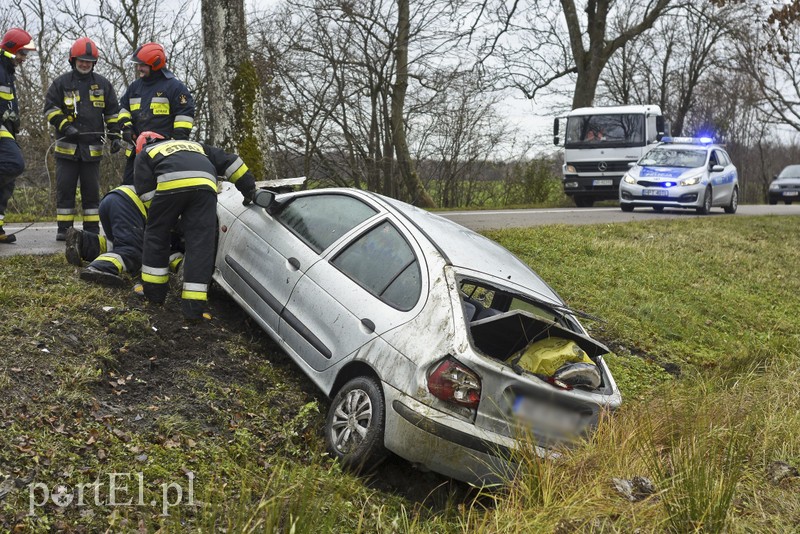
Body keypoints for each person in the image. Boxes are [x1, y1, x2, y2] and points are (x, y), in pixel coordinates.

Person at [134, 132, 256, 321]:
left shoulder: (146, 152)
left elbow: (146, 192)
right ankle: (194, 308)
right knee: (200, 244)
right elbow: (232, 162)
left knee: (156, 235)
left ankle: (154, 294)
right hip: (205, 187)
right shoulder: (195, 145)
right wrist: (250, 190)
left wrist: (165, 218)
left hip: (170, 186)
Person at [44, 37, 121, 241]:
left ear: (94, 63)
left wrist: (115, 137)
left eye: (89, 60)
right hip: (66, 150)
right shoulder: (61, 83)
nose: (85, 64)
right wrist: (64, 126)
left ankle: (91, 230)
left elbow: (113, 113)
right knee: (65, 190)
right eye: (81, 60)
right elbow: (50, 109)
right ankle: (64, 229)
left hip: (92, 151)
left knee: (91, 192)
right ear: (73, 60)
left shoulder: (103, 84)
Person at [64, 184, 184, 289]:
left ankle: (82, 242)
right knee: (132, 251)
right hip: (128, 204)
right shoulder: (188, 229)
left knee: (118, 245)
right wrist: (181, 267)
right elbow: (167, 252)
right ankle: (99, 268)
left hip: (115, 198)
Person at [118, 42, 195, 185]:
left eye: (142, 65)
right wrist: (126, 127)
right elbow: (123, 109)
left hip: (164, 153)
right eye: (138, 64)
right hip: (136, 152)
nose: (139, 68)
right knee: (129, 190)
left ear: (155, 64)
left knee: (159, 191)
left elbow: (185, 114)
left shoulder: (174, 87)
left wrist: (177, 139)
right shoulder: (134, 87)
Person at [0, 28, 36, 244]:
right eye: (23, 54)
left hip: (7, 130)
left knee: (7, 180)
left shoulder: (7, 71)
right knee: (14, 164)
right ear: (12, 50)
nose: (24, 59)